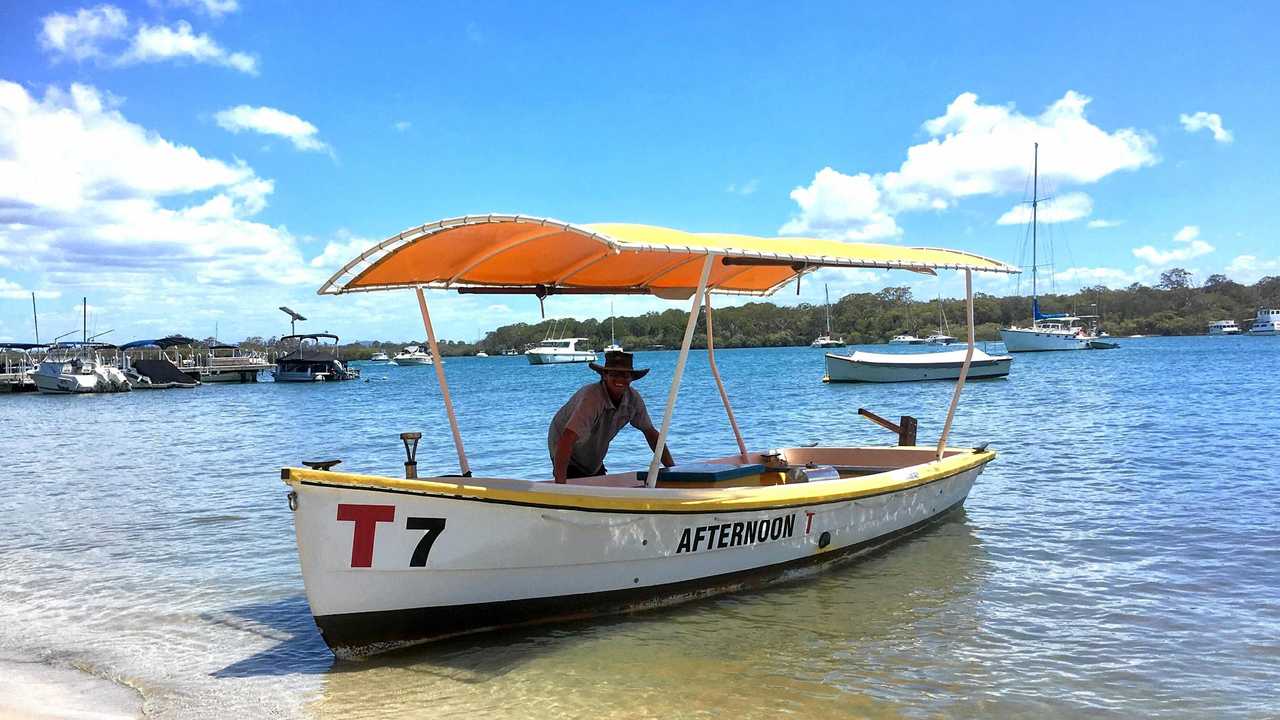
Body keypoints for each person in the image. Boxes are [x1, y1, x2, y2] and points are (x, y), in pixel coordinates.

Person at [548, 350, 674, 483]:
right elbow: (567, 438)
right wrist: (560, 485)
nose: (620, 379)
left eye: (625, 375)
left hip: (592, 454)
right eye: (614, 374)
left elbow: (651, 434)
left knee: (596, 480)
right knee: (573, 480)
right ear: (604, 376)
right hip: (563, 446)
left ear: (631, 378)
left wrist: (673, 471)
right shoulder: (592, 398)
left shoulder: (633, 399)